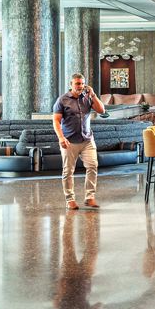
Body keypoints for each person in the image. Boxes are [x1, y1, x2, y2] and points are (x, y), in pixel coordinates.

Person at [52, 73, 107, 212]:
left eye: (82, 83)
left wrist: (93, 95)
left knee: (93, 166)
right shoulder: (62, 100)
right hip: (69, 141)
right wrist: (61, 138)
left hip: (87, 139)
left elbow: (102, 110)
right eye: (77, 83)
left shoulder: (87, 98)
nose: (80, 86)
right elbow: (56, 121)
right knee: (68, 171)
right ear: (71, 84)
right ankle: (70, 199)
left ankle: (89, 197)